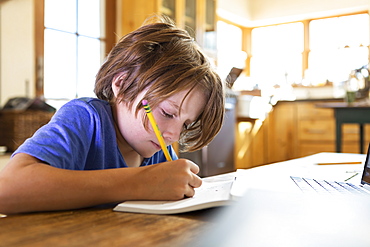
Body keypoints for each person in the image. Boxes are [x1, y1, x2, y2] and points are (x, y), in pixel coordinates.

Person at [0, 16, 225, 214]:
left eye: (185, 124)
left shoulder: (156, 150)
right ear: (122, 83)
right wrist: (139, 183)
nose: (173, 135)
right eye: (167, 113)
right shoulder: (86, 119)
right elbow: (7, 188)